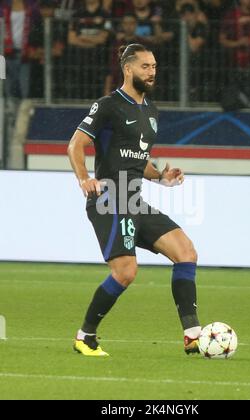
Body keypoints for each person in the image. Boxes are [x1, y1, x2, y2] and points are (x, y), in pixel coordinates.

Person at [68, 43, 201, 357]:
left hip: (134, 199)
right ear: (128, 69)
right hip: (110, 199)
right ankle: (85, 336)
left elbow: (137, 159)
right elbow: (76, 144)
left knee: (186, 252)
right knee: (126, 271)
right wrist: (84, 178)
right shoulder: (108, 105)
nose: (151, 72)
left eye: (154, 66)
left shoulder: (151, 112)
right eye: (145, 66)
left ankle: (193, 336)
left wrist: (161, 177)